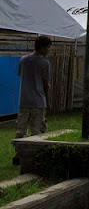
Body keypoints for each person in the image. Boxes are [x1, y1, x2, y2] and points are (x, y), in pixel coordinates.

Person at [13, 35, 51, 165]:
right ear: (42, 47)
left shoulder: (23, 60)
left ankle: (18, 154)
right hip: (38, 101)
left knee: (20, 128)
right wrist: (48, 99)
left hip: (23, 100)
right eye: (48, 47)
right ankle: (35, 155)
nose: (49, 50)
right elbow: (46, 83)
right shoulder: (44, 63)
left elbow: (20, 75)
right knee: (37, 129)